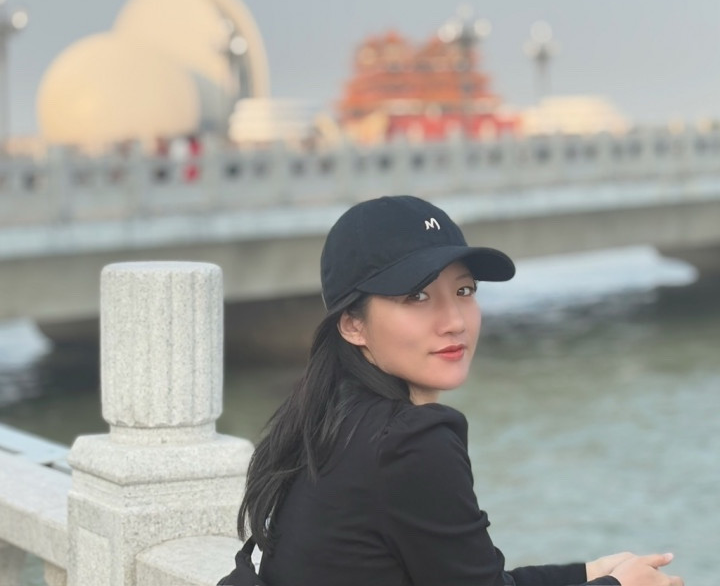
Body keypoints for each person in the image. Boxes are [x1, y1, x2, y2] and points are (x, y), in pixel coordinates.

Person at [235, 195, 683, 586]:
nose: (454, 321)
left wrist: (589, 572)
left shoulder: (331, 417)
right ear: (353, 324)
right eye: (417, 297)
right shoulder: (408, 442)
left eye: (464, 290)